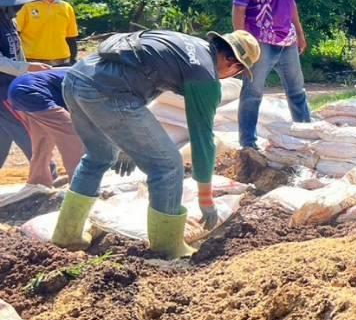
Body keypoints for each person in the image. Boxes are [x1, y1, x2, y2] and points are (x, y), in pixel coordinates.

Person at [49, 29, 260, 259]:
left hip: (77, 79)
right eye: (239, 72)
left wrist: (129, 144)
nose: (234, 76)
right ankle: (167, 248)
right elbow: (203, 140)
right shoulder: (204, 75)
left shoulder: (189, 47)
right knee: (167, 166)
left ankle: (66, 235)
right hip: (109, 92)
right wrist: (206, 199)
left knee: (98, 158)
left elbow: (144, 78)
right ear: (233, 63)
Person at [233, 0, 311, 151]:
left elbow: (291, 3)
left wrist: (300, 33)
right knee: (253, 93)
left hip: (287, 40)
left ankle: (306, 134)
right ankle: (248, 143)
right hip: (260, 42)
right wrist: (240, 43)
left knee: (297, 91)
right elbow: (239, 9)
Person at [8, 68, 84, 188]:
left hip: (18, 90)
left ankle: (37, 183)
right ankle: (80, 186)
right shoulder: (96, 80)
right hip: (34, 93)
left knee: (43, 140)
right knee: (73, 137)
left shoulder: (87, 71)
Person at [0, 0, 44, 175]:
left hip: (10, 84)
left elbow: (16, 50)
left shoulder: (8, 20)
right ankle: (46, 173)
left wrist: (27, 72)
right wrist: (27, 68)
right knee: (27, 130)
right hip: (3, 90)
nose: (19, 8)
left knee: (2, 137)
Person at [8, 0, 84, 65]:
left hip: (63, 63)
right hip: (32, 65)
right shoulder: (24, 6)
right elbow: (15, 36)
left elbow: (71, 38)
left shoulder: (66, 7)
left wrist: (73, 61)